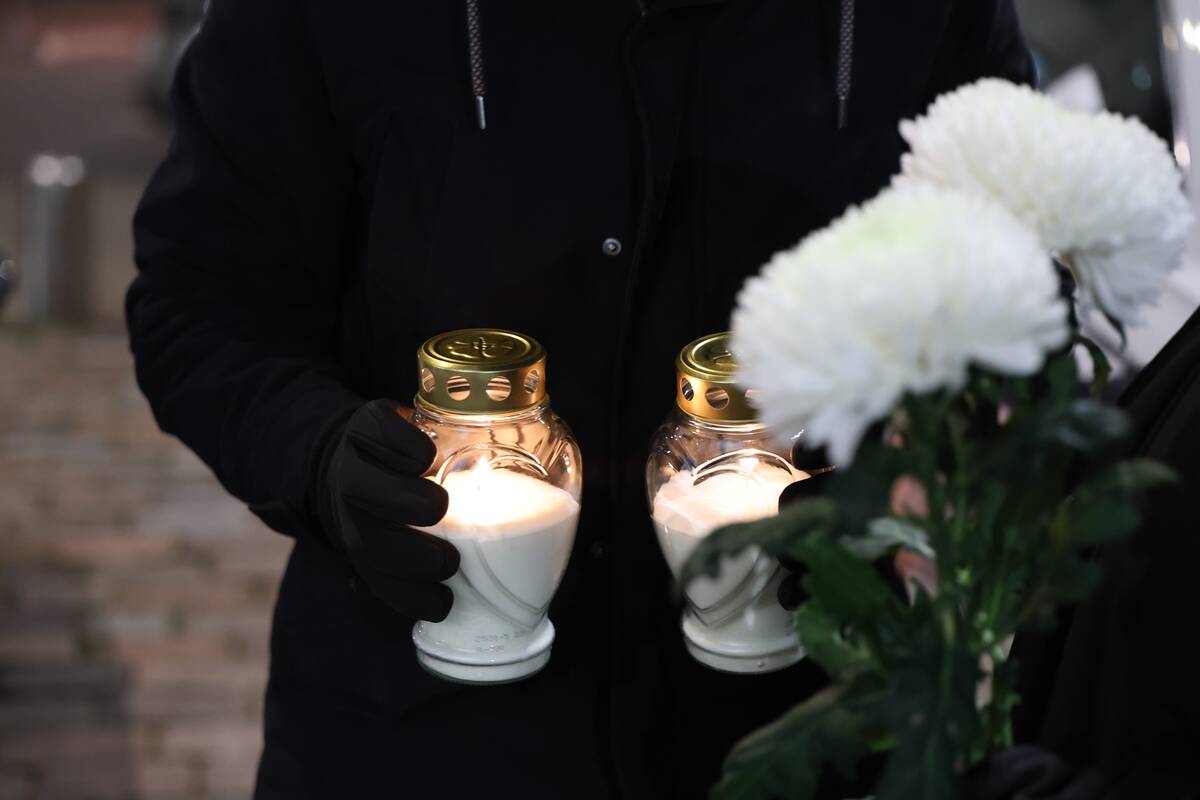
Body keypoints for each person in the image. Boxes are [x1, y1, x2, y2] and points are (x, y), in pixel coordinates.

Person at [126, 1, 1035, 796]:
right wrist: (320, 452)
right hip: (411, 725)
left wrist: (906, 479)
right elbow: (202, 299)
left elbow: (1024, 294)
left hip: (805, 727)